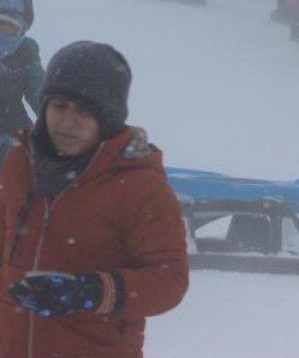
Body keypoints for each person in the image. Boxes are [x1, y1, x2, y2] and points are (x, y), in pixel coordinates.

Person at [0, 41, 188, 357]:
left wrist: (90, 292)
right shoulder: (19, 163)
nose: (67, 122)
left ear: (108, 118)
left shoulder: (140, 185)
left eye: (84, 111)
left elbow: (170, 279)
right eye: (59, 106)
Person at [0, 0, 43, 135]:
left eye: (11, 27)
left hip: (13, 131)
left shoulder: (24, 55)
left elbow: (43, 96)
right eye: (0, 23)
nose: (3, 32)